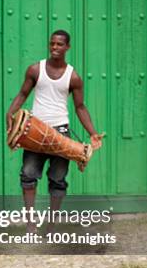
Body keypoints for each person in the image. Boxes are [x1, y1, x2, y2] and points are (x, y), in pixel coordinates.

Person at [6, 30, 103, 228]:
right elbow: (23, 93)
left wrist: (93, 133)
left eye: (59, 44)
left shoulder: (73, 77)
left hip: (61, 132)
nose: (55, 48)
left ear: (67, 47)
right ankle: (31, 225)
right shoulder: (35, 69)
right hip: (34, 131)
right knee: (28, 175)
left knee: (58, 179)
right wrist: (10, 112)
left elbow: (80, 107)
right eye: (52, 44)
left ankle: (51, 225)